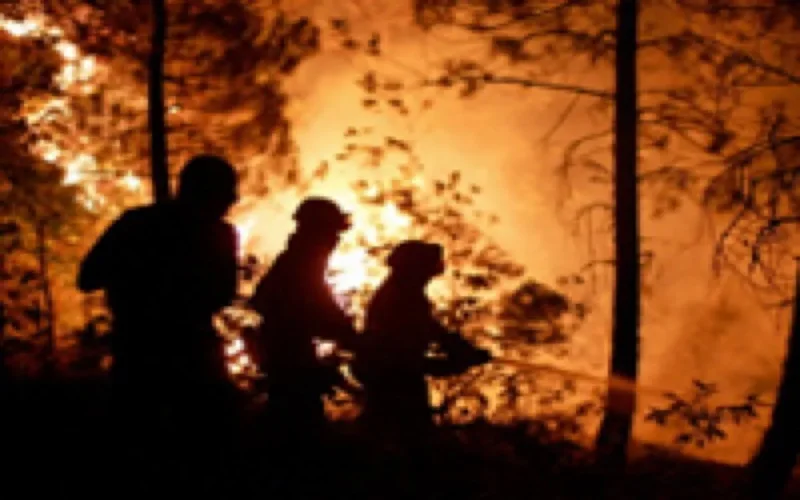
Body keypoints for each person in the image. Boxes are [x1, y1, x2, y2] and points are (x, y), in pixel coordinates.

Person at [77, 154, 240, 491]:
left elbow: (89, 277)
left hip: (139, 349)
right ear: (207, 193)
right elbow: (222, 295)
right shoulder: (219, 234)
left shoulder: (136, 224)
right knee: (202, 449)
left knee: (141, 443)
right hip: (188, 353)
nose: (232, 201)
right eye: (226, 192)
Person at [248, 197, 358, 460]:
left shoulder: (301, 261)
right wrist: (344, 331)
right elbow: (309, 305)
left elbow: (317, 303)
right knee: (296, 418)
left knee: (293, 412)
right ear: (316, 231)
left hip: (287, 348)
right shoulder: (300, 263)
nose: (335, 240)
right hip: (286, 352)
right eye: (332, 232)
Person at [356, 241, 491, 436]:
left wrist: (464, 350)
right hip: (394, 384)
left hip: (394, 379)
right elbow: (402, 359)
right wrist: (455, 363)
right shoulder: (400, 300)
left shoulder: (407, 297)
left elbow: (434, 332)